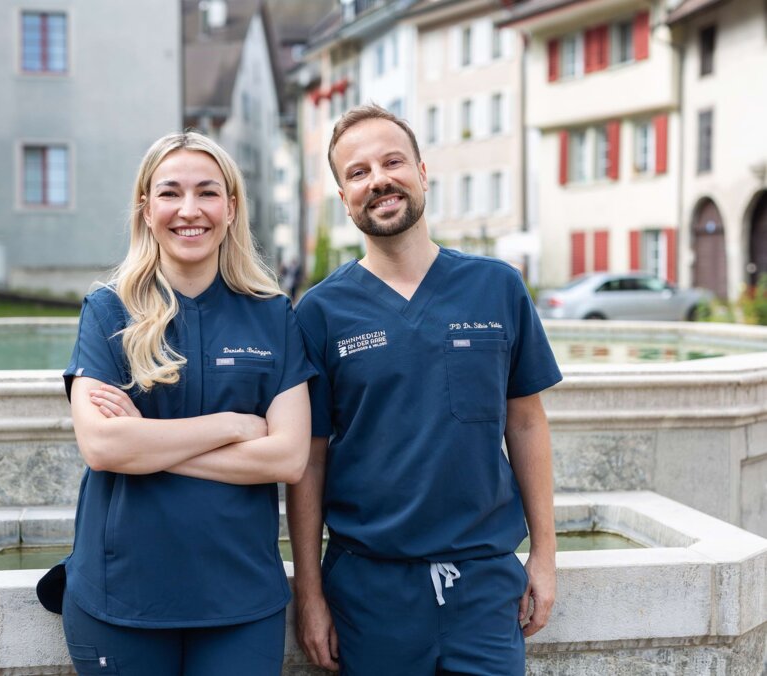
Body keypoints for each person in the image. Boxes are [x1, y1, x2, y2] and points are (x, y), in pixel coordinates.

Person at [288, 104, 563, 675]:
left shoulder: (497, 288)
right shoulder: (319, 312)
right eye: (357, 172)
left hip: (487, 588)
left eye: (392, 162)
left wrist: (545, 554)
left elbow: (527, 424)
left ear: (421, 172)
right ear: (344, 197)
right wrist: (311, 597)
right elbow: (309, 460)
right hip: (369, 591)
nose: (378, 179)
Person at [36, 131, 315, 676]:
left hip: (241, 601)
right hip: (120, 599)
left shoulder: (273, 315)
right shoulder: (107, 310)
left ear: (231, 208)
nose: (190, 210)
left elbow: (287, 459)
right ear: (146, 207)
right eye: (170, 193)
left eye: (208, 193)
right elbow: (102, 445)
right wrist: (233, 425)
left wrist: (150, 445)